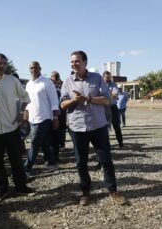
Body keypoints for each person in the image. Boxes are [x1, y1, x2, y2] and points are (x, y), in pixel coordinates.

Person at [60, 50, 127, 206]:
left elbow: (107, 99)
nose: (74, 64)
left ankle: (112, 190)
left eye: (77, 61)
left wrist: (88, 98)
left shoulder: (97, 79)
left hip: (98, 126)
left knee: (106, 161)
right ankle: (85, 192)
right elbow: (62, 104)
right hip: (77, 127)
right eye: (72, 61)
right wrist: (75, 100)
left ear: (85, 63)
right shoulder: (67, 81)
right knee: (81, 162)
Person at [0, 53, 35, 202]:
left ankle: (21, 187)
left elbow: (25, 97)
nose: (2, 66)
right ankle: (1, 189)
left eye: (4, 63)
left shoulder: (12, 81)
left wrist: (22, 112)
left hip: (11, 127)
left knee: (16, 159)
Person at [24, 61, 59, 177]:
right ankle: (52, 162)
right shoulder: (29, 84)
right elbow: (28, 101)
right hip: (32, 118)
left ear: (40, 68)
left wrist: (55, 117)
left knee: (34, 143)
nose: (33, 70)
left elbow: (54, 101)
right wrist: (26, 113)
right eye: (31, 68)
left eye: (35, 67)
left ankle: (26, 169)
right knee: (42, 142)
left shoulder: (47, 82)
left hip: (44, 117)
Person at [103, 71, 124, 147]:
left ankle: (120, 142)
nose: (109, 79)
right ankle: (106, 144)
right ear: (103, 77)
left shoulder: (113, 84)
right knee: (105, 127)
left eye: (109, 77)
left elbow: (115, 95)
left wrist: (106, 95)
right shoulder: (101, 84)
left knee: (116, 126)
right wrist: (110, 94)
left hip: (113, 107)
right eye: (107, 77)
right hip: (104, 108)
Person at [50, 71, 67, 161]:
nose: (53, 79)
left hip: (59, 114)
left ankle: (55, 155)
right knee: (54, 136)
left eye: (54, 77)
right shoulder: (54, 89)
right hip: (55, 114)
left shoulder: (59, 89)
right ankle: (53, 156)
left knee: (58, 134)